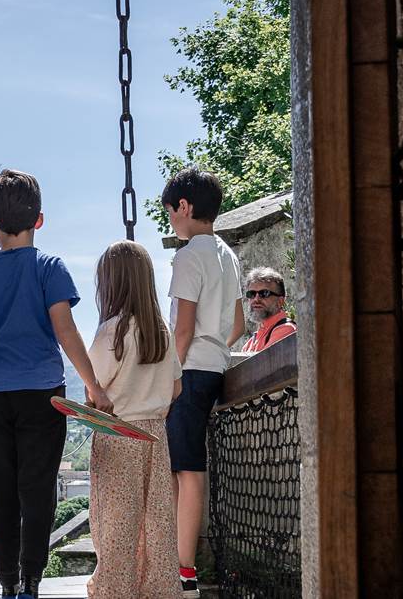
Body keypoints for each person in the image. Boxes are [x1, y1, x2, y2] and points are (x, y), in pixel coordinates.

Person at [0, 168, 112, 599]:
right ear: (39, 220)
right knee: (38, 488)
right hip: (42, 393)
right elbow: (66, 331)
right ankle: (31, 581)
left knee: (1, 490)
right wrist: (94, 386)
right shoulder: (49, 267)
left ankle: (7, 583)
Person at [161, 168, 243, 597]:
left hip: (189, 369)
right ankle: (177, 565)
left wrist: (170, 375)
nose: (171, 220)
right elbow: (240, 322)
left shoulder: (189, 254)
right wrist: (217, 350)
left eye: (171, 211)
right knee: (183, 467)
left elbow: (183, 327)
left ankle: (183, 571)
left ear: (185, 207)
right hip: (214, 365)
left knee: (187, 471)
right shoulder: (228, 255)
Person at [86, 240, 184, 599]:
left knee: (116, 523)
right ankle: (159, 590)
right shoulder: (162, 329)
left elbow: (95, 387)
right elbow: (176, 388)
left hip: (117, 434)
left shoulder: (112, 330)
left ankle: (114, 590)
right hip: (155, 435)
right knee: (157, 521)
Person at [241, 267, 296, 353]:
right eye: (251, 294)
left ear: (280, 301)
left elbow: (262, 365)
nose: (256, 299)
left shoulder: (286, 331)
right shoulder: (251, 342)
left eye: (264, 293)